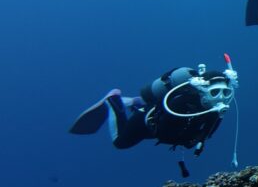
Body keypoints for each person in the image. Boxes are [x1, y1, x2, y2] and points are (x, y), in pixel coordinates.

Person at [69, 57, 238, 177]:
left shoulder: (213, 108)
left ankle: (135, 101)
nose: (221, 98)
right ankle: (113, 101)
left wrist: (199, 139)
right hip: (146, 123)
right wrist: (189, 140)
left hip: (161, 121)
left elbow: (208, 130)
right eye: (215, 92)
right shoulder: (180, 103)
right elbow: (166, 131)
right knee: (120, 142)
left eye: (225, 92)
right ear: (203, 90)